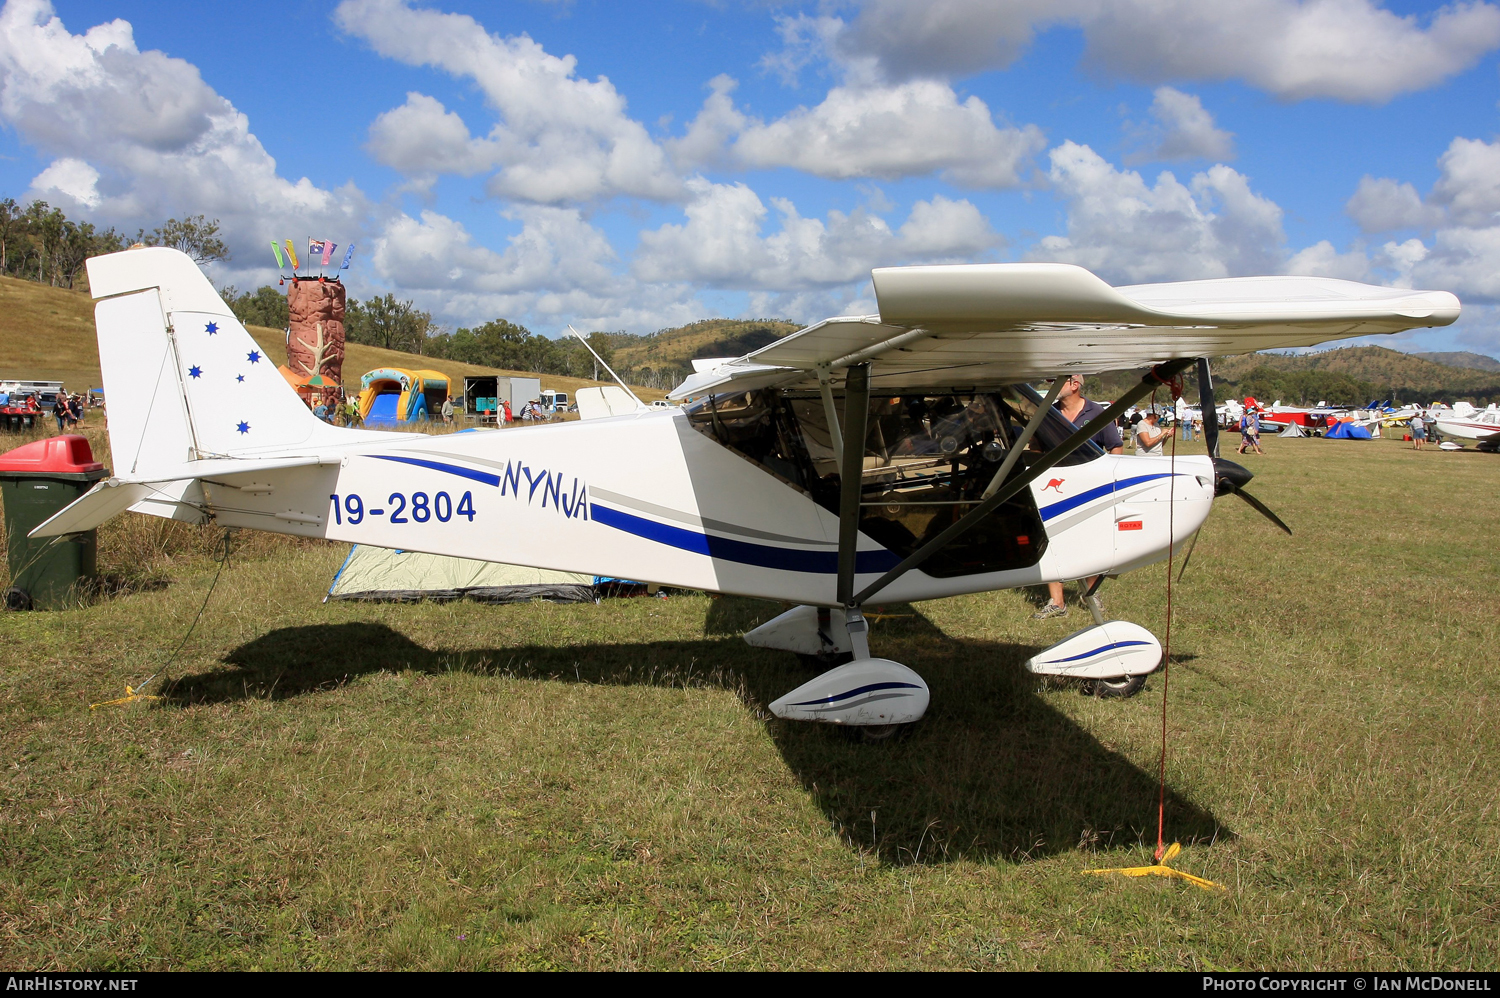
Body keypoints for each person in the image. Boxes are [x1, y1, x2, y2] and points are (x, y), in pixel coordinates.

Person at [1032, 375, 1123, 620]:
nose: (1052, 386)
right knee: (1052, 542)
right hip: (1055, 489)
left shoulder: (1097, 413)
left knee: (1089, 543)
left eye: (1057, 381)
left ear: (1074, 385)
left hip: (1089, 490)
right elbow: (1035, 449)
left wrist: (1108, 476)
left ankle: (1091, 593)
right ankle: (1057, 602)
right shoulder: (1048, 414)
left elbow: (1115, 446)